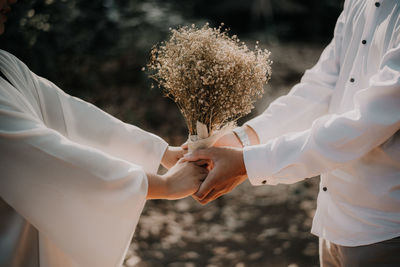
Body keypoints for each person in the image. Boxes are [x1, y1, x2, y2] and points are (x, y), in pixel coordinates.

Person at [185, 0, 400, 266]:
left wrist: (248, 163)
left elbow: (368, 122)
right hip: (333, 223)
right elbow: (321, 87)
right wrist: (244, 139)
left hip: (387, 231)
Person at [0, 0, 207, 266]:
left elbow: (71, 114)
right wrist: (165, 186)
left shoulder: (5, 65)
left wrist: (162, 153)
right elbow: (46, 156)